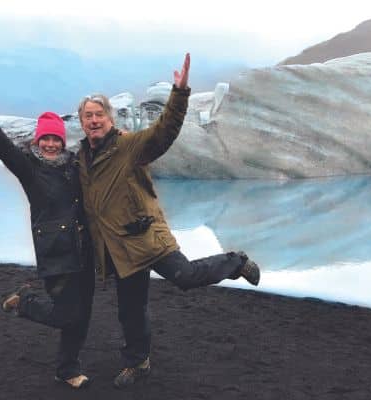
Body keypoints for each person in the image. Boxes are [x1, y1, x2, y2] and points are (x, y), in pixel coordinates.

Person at [75, 53, 261, 389]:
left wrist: (179, 94)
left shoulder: (129, 146)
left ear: (109, 118)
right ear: (81, 121)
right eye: (87, 116)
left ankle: (236, 262)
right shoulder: (81, 160)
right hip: (118, 250)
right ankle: (138, 361)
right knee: (130, 312)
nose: (93, 120)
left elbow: (164, 133)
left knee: (185, 276)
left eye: (98, 114)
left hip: (145, 235)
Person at [0, 66, 95, 389]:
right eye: (46, 139)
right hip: (56, 255)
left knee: (82, 318)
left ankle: (67, 369)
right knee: (65, 315)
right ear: (37, 140)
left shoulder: (74, 165)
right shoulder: (29, 169)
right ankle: (25, 301)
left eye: (56, 138)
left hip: (84, 253)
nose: (52, 144)